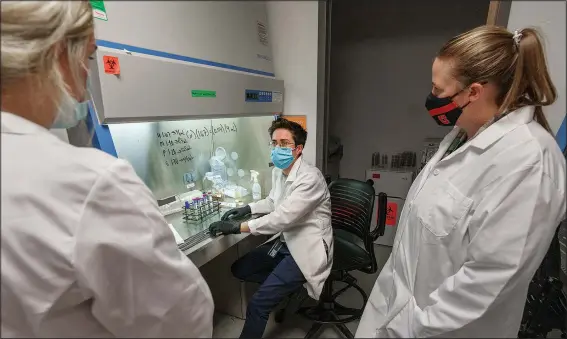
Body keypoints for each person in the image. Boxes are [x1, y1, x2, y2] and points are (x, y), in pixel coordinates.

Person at [1, 2, 213, 337]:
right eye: (87, 57)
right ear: (58, 55)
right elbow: (184, 321)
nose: (87, 80)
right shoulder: (91, 182)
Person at [355, 25, 566, 338]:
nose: (432, 98)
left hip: (437, 328)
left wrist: (408, 328)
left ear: (474, 92)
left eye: (439, 90)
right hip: (396, 310)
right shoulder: (462, 136)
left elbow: (487, 281)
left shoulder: (529, 162)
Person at [209, 118, 333, 338]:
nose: (277, 148)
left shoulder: (310, 178)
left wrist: (238, 227)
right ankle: (288, 288)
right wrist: (247, 208)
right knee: (240, 269)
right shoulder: (279, 171)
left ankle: (285, 287)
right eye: (274, 143)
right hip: (286, 242)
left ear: (298, 149)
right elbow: (273, 202)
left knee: (258, 305)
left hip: (306, 249)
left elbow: (282, 218)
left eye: (284, 143)